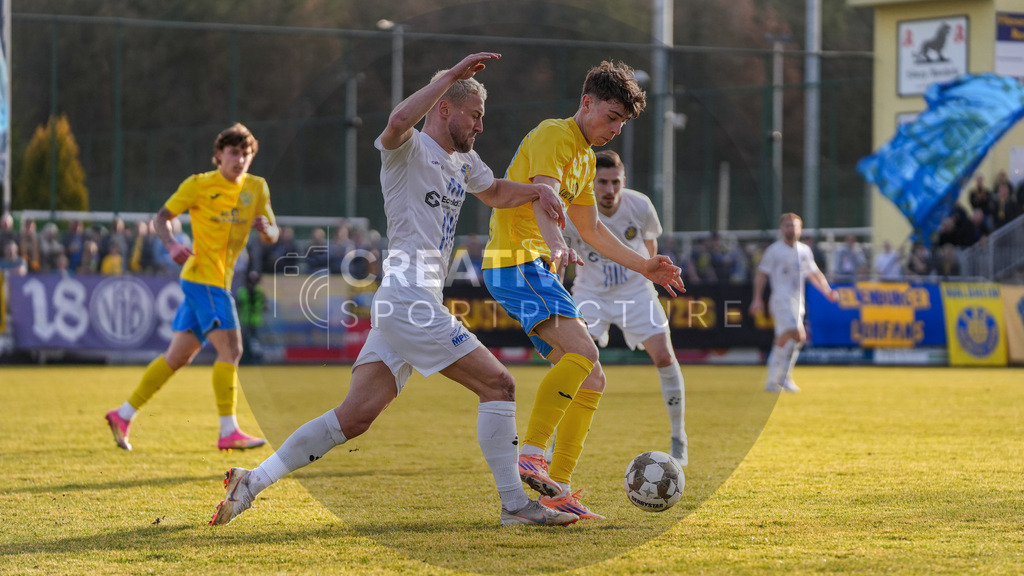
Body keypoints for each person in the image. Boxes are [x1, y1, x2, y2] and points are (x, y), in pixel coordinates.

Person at [210, 53, 578, 528]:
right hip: (410, 299)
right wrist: (450, 75)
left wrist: (538, 192)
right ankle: (514, 506)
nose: (481, 126)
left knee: (354, 416)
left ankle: (251, 481)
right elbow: (398, 119)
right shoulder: (407, 149)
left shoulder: (463, 161)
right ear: (445, 108)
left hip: (409, 302)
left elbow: (496, 193)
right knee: (500, 384)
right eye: (475, 115)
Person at [482, 61, 685, 521]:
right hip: (517, 262)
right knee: (585, 354)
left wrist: (645, 266)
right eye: (611, 116)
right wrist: (555, 244)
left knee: (593, 377)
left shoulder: (586, 157)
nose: (615, 129)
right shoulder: (556, 135)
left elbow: (590, 230)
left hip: (532, 267)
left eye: (622, 122)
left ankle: (558, 488)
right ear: (587, 103)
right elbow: (542, 197)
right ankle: (531, 454)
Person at [105, 123, 279, 452]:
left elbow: (272, 231)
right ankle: (229, 431)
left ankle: (123, 414)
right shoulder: (199, 185)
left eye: (245, 154)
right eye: (233, 153)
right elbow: (161, 218)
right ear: (218, 155)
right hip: (204, 279)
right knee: (232, 350)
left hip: (214, 281)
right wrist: (171, 245)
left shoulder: (257, 188)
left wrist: (266, 229)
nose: (239, 160)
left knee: (177, 357)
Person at [562, 150, 688, 467]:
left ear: (623, 181)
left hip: (635, 291)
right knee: (573, 363)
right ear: (592, 183)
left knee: (664, 356)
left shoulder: (640, 205)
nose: (609, 189)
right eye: (602, 182)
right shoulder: (574, 211)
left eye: (615, 182)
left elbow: (650, 247)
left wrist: (648, 276)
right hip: (590, 292)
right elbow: (562, 257)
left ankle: (678, 436)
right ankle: (556, 440)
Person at [749, 213, 837, 393]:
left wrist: (827, 291)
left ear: (800, 229)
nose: (791, 229)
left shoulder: (805, 250)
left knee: (798, 338)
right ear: (782, 229)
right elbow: (761, 274)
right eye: (787, 225)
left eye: (794, 226)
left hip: (798, 301)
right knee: (795, 332)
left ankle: (781, 378)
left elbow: (814, 274)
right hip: (781, 299)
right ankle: (774, 379)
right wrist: (757, 299)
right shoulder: (774, 250)